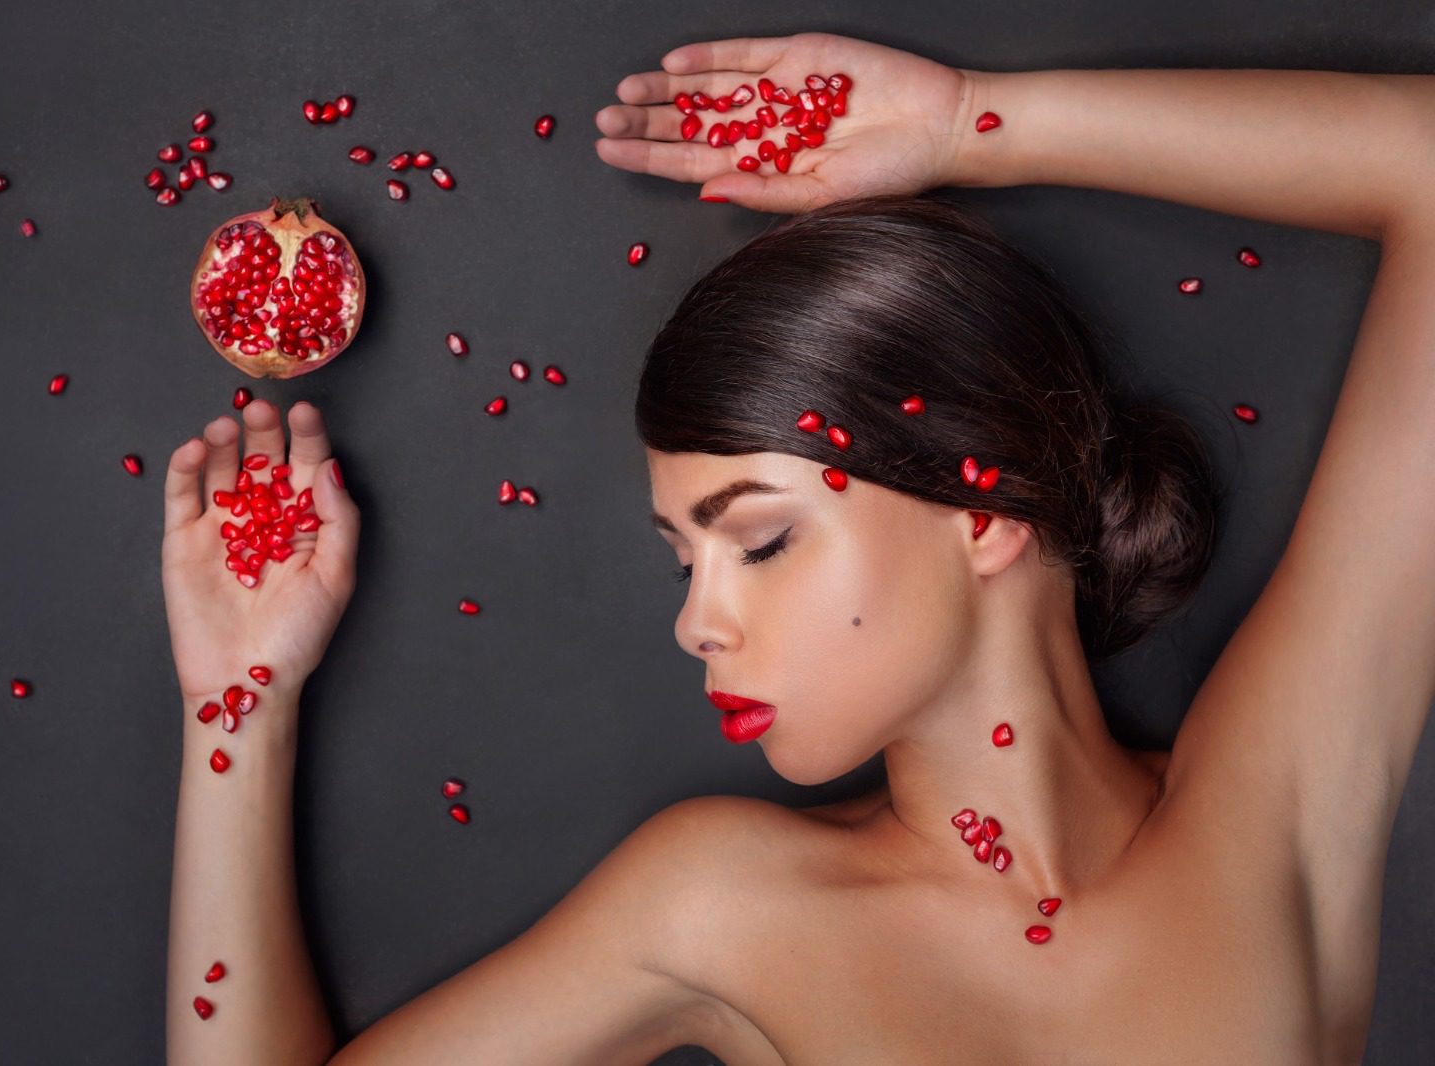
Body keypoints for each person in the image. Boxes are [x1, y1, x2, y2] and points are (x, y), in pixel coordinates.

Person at [164, 31, 1435, 1065]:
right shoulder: (722, 908)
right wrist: (238, 703)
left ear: (982, 508)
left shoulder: (1264, 815)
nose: (693, 622)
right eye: (683, 558)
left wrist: (970, 123)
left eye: (758, 541)